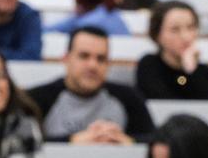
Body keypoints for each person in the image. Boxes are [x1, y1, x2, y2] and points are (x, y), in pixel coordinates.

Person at [27, 26, 155, 144]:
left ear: (108, 64)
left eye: (101, 59)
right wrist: (71, 141)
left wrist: (127, 141)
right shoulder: (36, 99)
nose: (92, 65)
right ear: (66, 59)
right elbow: (24, 142)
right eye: (84, 56)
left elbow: (154, 142)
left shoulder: (130, 98)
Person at [135, 1, 208, 100]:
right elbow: (161, 102)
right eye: (175, 29)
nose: (186, 37)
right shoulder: (149, 66)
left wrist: (192, 70)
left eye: (191, 27)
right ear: (157, 34)